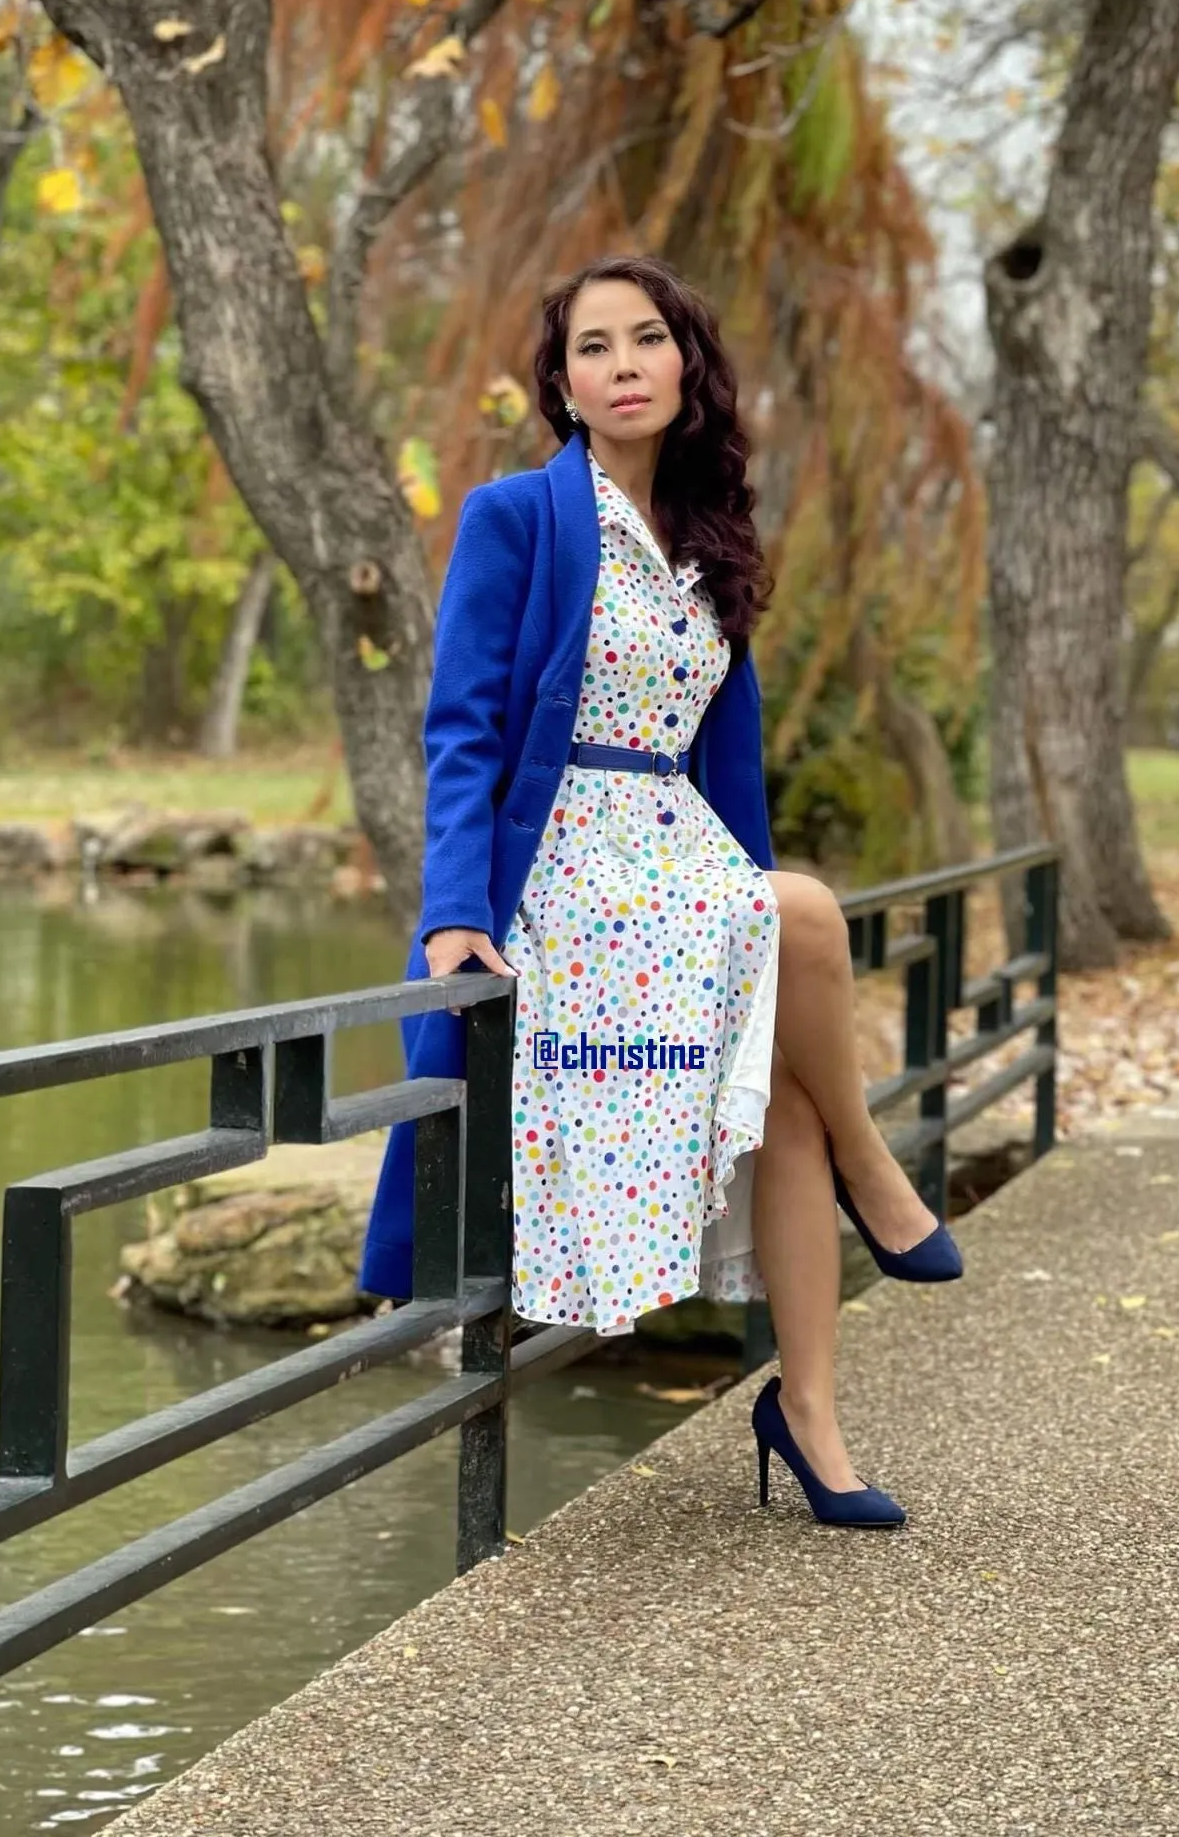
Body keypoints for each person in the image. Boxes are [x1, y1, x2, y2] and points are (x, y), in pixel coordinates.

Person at [359, 254, 962, 1528]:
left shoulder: (709, 541)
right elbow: (461, 727)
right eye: (593, 346)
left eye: (646, 339)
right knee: (801, 907)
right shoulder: (515, 515)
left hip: (678, 855)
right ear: (563, 383)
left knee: (784, 1101)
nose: (622, 363)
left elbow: (719, 759)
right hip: (569, 872)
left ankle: (808, 1420)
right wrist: (452, 910)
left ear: (684, 366)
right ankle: (878, 1164)